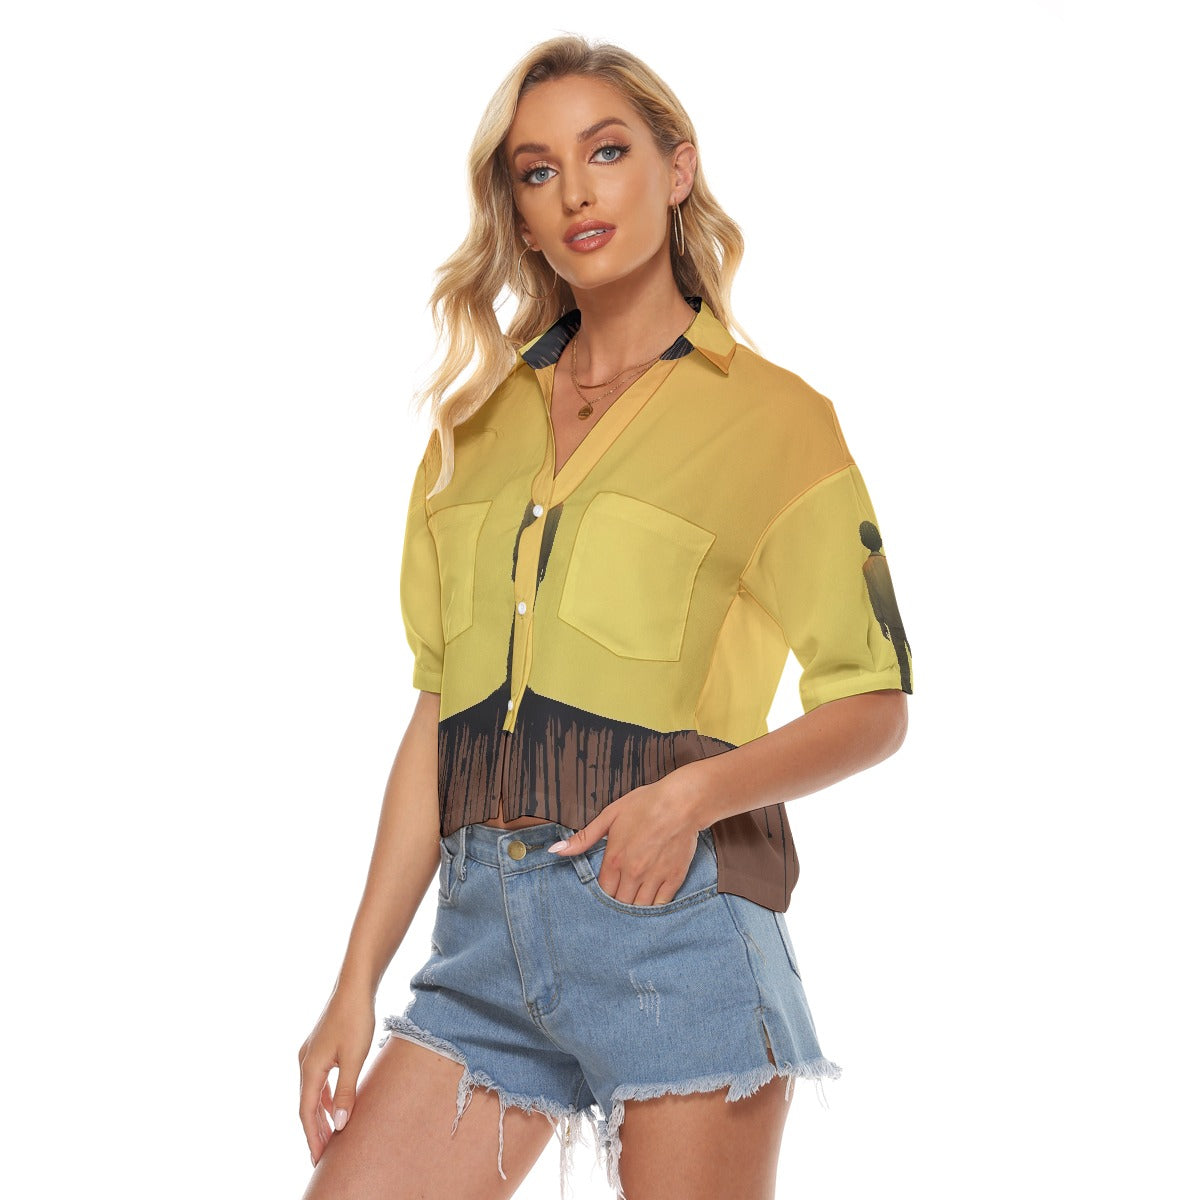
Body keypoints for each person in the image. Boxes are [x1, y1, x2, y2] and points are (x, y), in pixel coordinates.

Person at [297, 34, 912, 1200]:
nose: (576, 191)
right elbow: (438, 715)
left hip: (677, 937)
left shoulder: (779, 423)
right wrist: (353, 984)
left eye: (608, 151)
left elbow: (874, 703)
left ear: (677, 170)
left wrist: (690, 797)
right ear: (521, 218)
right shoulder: (472, 432)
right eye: (538, 171)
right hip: (479, 955)